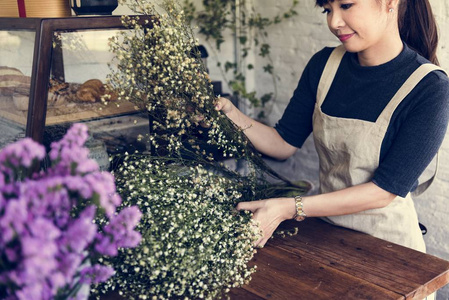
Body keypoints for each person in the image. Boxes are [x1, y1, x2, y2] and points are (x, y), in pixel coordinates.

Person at [215, 0, 449, 256]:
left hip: (388, 247)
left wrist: (289, 207)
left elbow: (383, 191)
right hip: (325, 235)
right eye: (327, 10)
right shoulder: (323, 65)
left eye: (346, 5)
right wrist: (230, 114)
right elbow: (282, 143)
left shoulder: (430, 88)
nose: (334, 22)